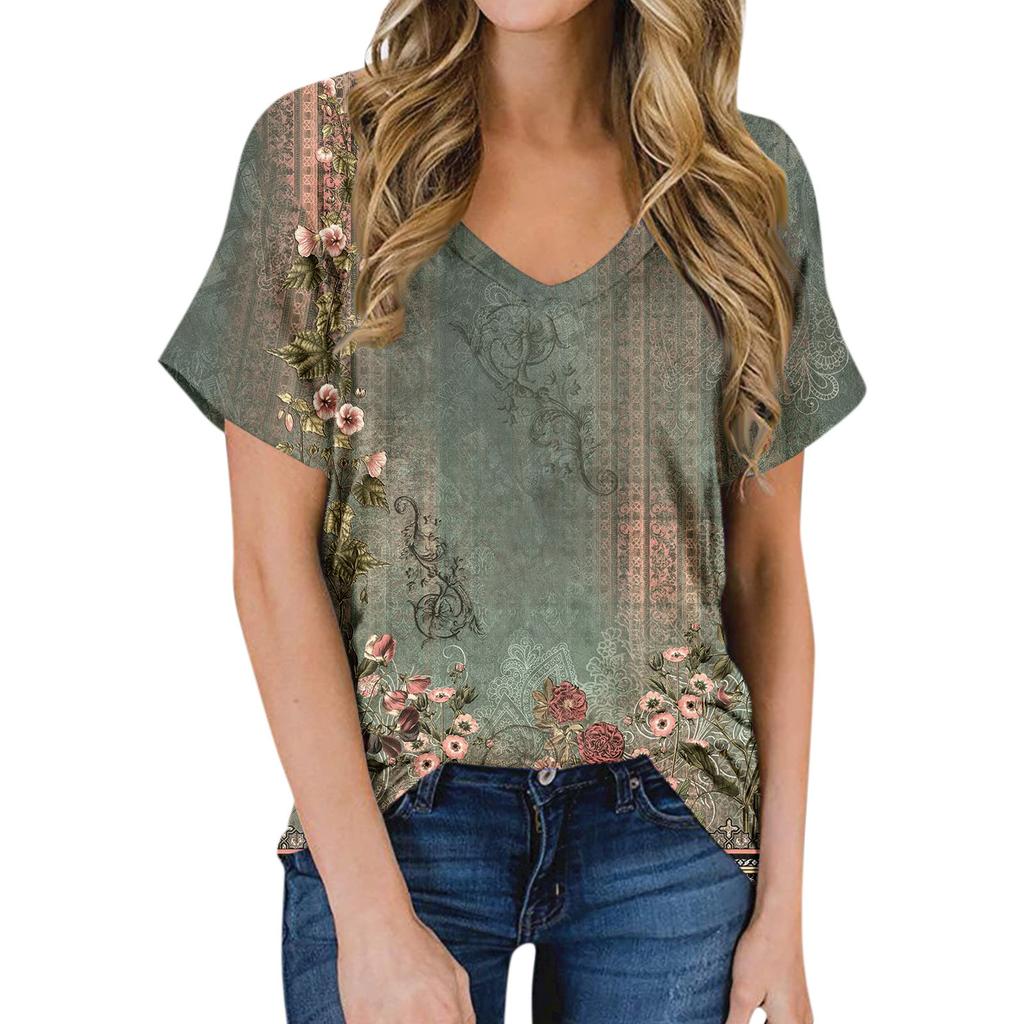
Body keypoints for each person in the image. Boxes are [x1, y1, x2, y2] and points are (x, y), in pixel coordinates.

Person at [158, 1, 865, 1021]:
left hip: (673, 831)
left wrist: (784, 912)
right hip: (397, 822)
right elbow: (271, 562)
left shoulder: (741, 185)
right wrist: (372, 918)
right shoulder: (320, 159)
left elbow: (765, 572)